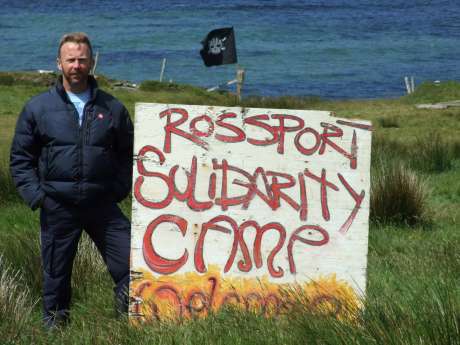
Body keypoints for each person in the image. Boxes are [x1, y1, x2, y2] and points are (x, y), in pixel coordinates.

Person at [10, 32, 133, 328]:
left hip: (102, 205)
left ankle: (129, 325)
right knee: (55, 277)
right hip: (58, 206)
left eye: (82, 59)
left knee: (133, 265)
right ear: (59, 63)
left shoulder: (112, 108)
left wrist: (117, 190)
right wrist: (38, 197)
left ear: (91, 62)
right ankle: (55, 331)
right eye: (70, 60)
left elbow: (130, 155)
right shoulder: (38, 108)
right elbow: (20, 159)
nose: (76, 65)